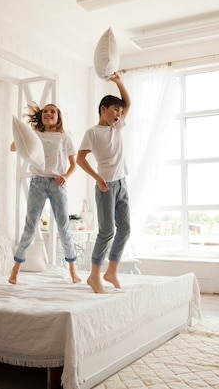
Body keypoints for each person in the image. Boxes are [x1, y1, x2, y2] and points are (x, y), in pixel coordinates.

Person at [8, 103, 81, 284]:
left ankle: (73, 271)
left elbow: (74, 165)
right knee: (30, 228)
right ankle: (15, 270)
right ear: (41, 117)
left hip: (58, 184)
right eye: (45, 112)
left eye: (53, 111)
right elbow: (13, 147)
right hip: (38, 183)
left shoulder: (65, 138)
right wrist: (26, 135)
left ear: (58, 117)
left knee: (64, 229)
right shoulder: (36, 135)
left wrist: (65, 176)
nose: (48, 113)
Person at [76, 73, 131, 294]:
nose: (118, 113)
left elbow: (128, 102)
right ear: (103, 110)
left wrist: (118, 82)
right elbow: (80, 159)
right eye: (114, 110)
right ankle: (94, 276)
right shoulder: (92, 133)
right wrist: (98, 178)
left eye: (120, 111)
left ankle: (112, 271)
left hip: (122, 184)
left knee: (125, 229)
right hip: (106, 186)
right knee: (107, 231)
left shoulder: (117, 127)